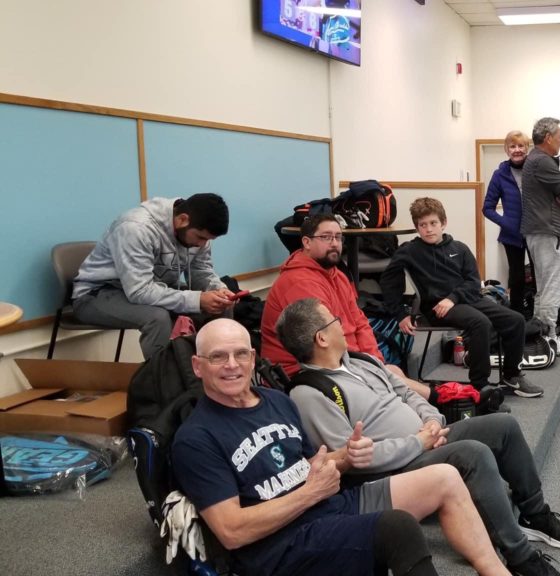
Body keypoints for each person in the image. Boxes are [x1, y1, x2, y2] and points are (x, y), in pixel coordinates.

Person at [171, 319, 510, 576]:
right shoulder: (196, 438)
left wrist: (348, 455)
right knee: (397, 529)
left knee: (445, 478)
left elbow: (308, 465)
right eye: (218, 357)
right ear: (198, 366)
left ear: (253, 357)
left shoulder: (276, 400)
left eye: (240, 354)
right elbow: (232, 531)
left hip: (326, 505)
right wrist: (310, 493)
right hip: (280, 543)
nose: (232, 365)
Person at [278, 299, 560, 576]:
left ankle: (535, 514)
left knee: (504, 426)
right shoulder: (309, 393)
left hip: (426, 437)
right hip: (393, 469)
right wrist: (418, 443)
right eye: (334, 320)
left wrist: (432, 421)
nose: (341, 322)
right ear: (321, 338)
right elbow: (353, 459)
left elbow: (407, 393)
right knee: (472, 454)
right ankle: (520, 558)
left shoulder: (360, 361)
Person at [381, 198, 543, 398]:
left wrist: (453, 297)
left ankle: (512, 375)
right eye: (423, 225)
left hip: (465, 299)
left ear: (443, 223)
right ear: (417, 227)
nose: (428, 229)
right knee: (480, 323)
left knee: (516, 319)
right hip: (437, 308)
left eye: (433, 223)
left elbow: (473, 282)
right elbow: (389, 281)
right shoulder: (409, 251)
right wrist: (400, 314)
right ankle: (480, 385)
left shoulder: (459, 248)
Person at [261, 213, 433, 399]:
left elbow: (360, 322)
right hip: (303, 372)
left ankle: (437, 401)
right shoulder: (300, 283)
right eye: (326, 237)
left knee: (393, 373)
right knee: (396, 384)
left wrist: (375, 361)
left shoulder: (337, 275)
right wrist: (369, 368)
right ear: (307, 242)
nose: (334, 243)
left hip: (337, 360)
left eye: (338, 237)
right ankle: (438, 398)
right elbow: (326, 343)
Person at [72, 194, 234, 359]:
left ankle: (216, 369)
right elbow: (139, 291)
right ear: (182, 220)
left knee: (221, 306)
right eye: (201, 237)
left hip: (151, 288)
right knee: (157, 318)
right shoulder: (135, 228)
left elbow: (201, 270)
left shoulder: (197, 229)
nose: (202, 244)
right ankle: (162, 374)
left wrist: (218, 289)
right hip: (96, 294)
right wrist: (197, 300)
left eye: (208, 240)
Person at [519, 117, 560, 357]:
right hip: (547, 231)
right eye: (559, 137)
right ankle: (550, 337)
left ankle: (541, 336)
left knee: (544, 288)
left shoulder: (533, 159)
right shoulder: (543, 161)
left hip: (539, 231)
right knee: (553, 287)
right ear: (548, 138)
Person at [483, 130, 531, 317]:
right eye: (512, 146)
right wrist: (507, 223)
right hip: (512, 236)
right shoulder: (499, 175)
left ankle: (536, 315)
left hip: (536, 232)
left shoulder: (535, 170)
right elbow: (487, 208)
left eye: (521, 146)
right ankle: (518, 317)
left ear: (527, 148)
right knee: (517, 278)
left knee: (539, 277)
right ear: (506, 149)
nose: (517, 150)